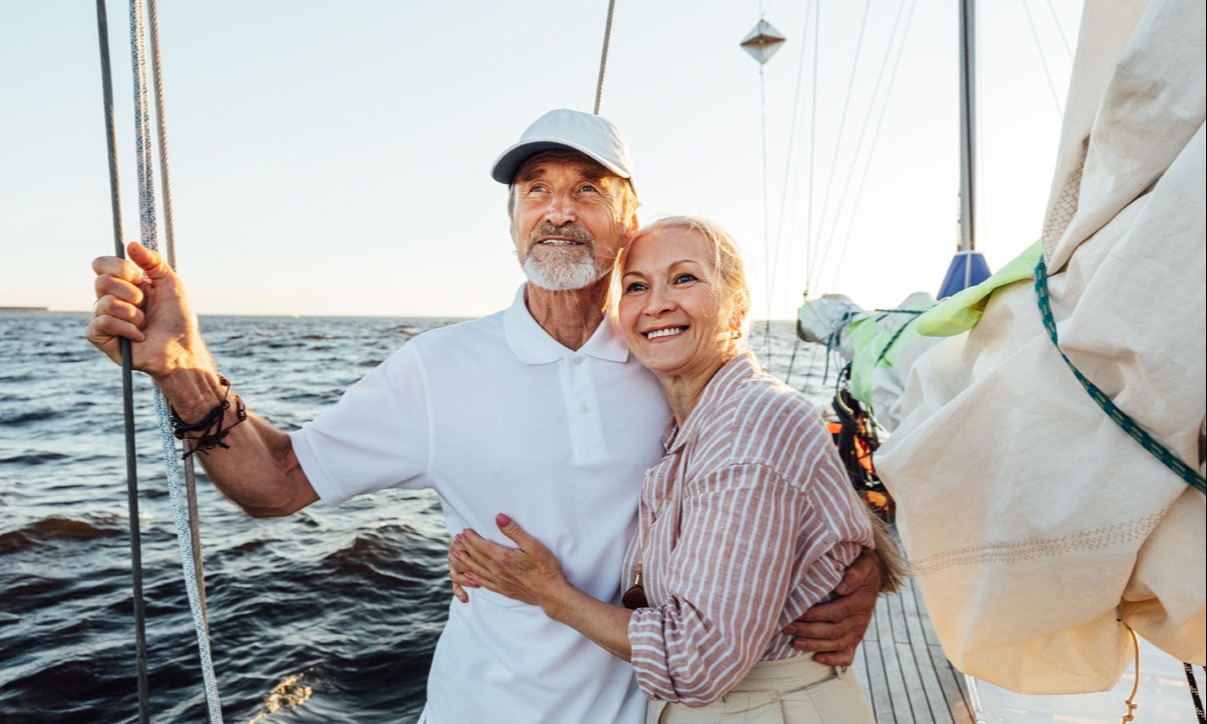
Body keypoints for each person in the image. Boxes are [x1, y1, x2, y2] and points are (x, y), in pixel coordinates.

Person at [86, 109, 884, 723]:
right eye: (535, 189)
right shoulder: (438, 370)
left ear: (626, 222)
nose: (557, 209)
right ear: (510, 224)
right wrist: (184, 369)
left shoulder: (670, 356)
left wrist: (865, 572)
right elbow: (278, 483)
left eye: (586, 189)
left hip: (655, 709)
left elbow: (796, 470)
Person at [454, 216, 897, 722]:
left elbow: (697, 663)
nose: (657, 303)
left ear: (737, 307)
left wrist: (549, 593)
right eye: (637, 286)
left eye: (684, 278)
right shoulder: (688, 420)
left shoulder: (750, 427)